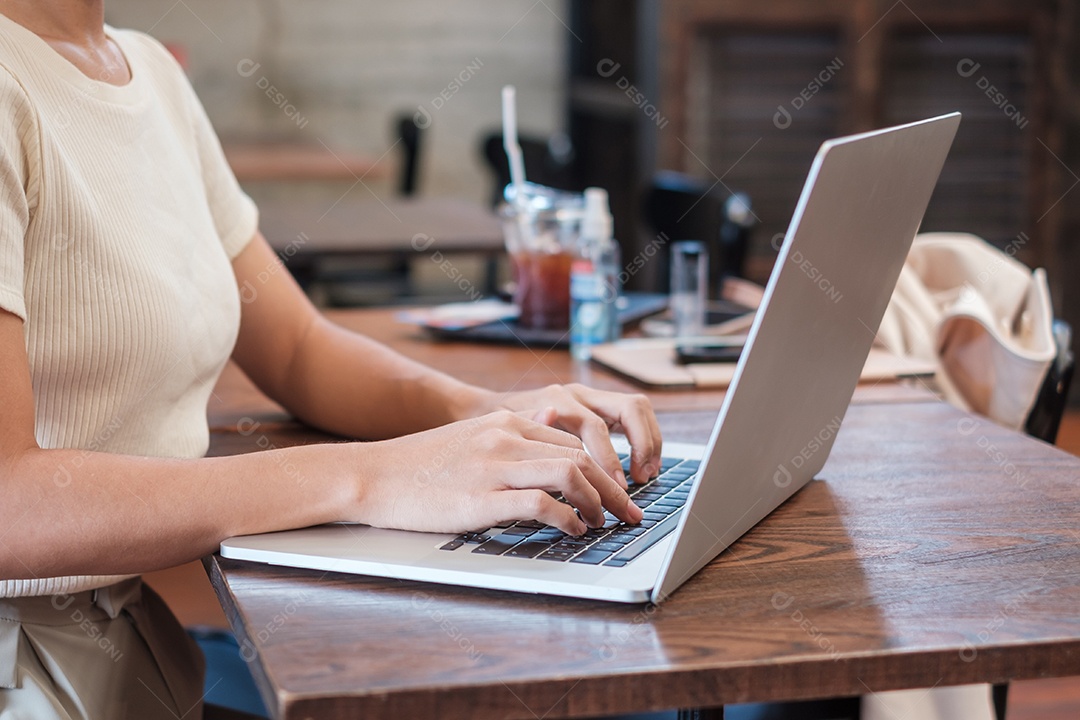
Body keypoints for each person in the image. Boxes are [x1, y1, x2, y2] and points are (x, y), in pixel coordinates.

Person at [0, 1, 662, 717]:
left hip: (125, 632)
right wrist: (371, 476)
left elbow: (295, 346)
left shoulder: (149, 68)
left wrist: (489, 414)